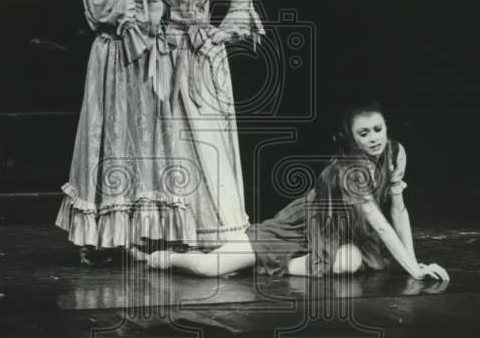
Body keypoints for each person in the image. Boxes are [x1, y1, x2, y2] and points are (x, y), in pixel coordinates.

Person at [55, 0, 199, 257]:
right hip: (117, 56)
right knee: (113, 135)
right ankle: (101, 237)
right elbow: (101, 11)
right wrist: (143, 3)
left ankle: (130, 233)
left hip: (141, 55)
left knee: (140, 136)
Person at [147, 101, 450, 281]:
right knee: (209, 268)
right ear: (351, 138)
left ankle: (263, 266)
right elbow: (381, 225)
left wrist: (414, 262)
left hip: (342, 231)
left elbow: (398, 210)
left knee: (349, 264)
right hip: (301, 226)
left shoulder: (396, 153)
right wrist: (414, 272)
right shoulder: (349, 169)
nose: (374, 138)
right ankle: (166, 258)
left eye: (378, 129)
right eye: (364, 133)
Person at [133, 0, 265, 250]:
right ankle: (165, 233)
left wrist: (222, 33)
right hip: (163, 56)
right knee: (166, 144)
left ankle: (212, 230)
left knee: (209, 146)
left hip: (204, 58)